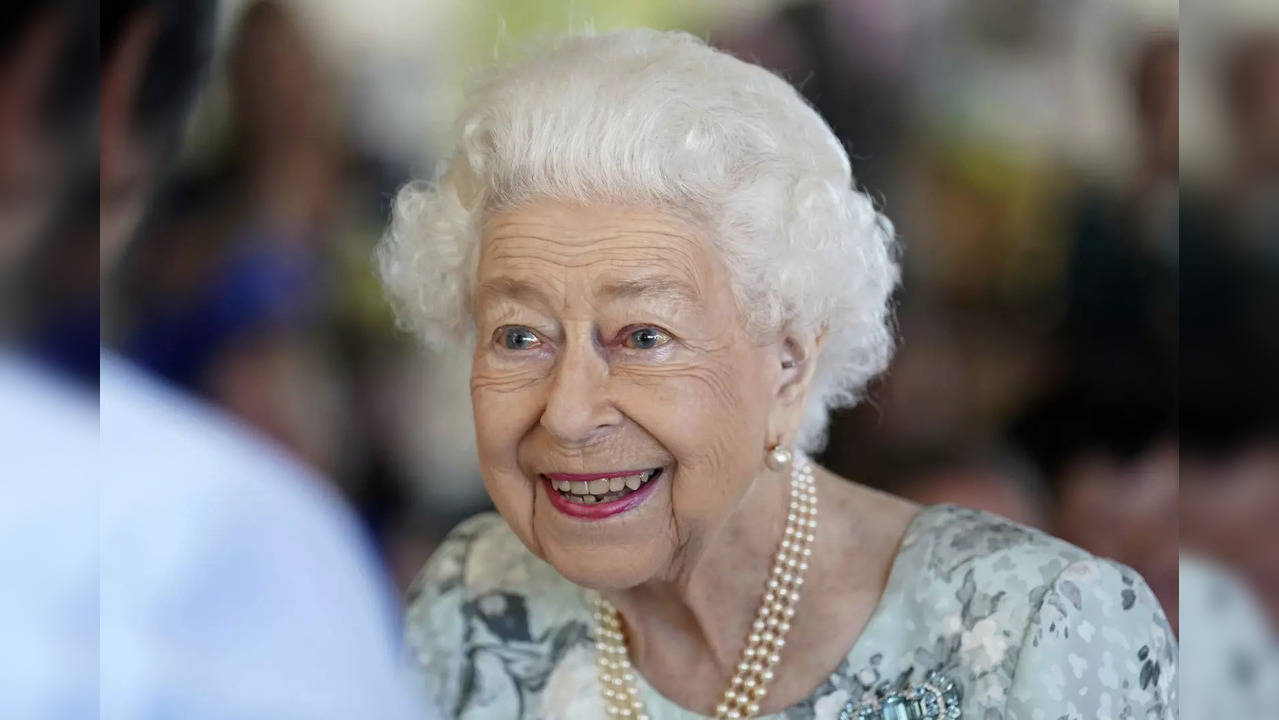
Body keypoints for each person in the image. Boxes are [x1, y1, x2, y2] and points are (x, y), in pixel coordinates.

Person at [379, 30, 1177, 720]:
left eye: (644, 335)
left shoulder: (1036, 631)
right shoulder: (470, 606)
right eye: (520, 336)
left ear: (789, 367)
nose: (568, 412)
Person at [95, 2, 433, 718]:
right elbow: (163, 306)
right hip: (234, 462)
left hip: (372, 469)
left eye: (292, 66)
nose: (280, 86)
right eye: (260, 68)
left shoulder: (377, 186)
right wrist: (269, 212)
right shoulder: (195, 196)